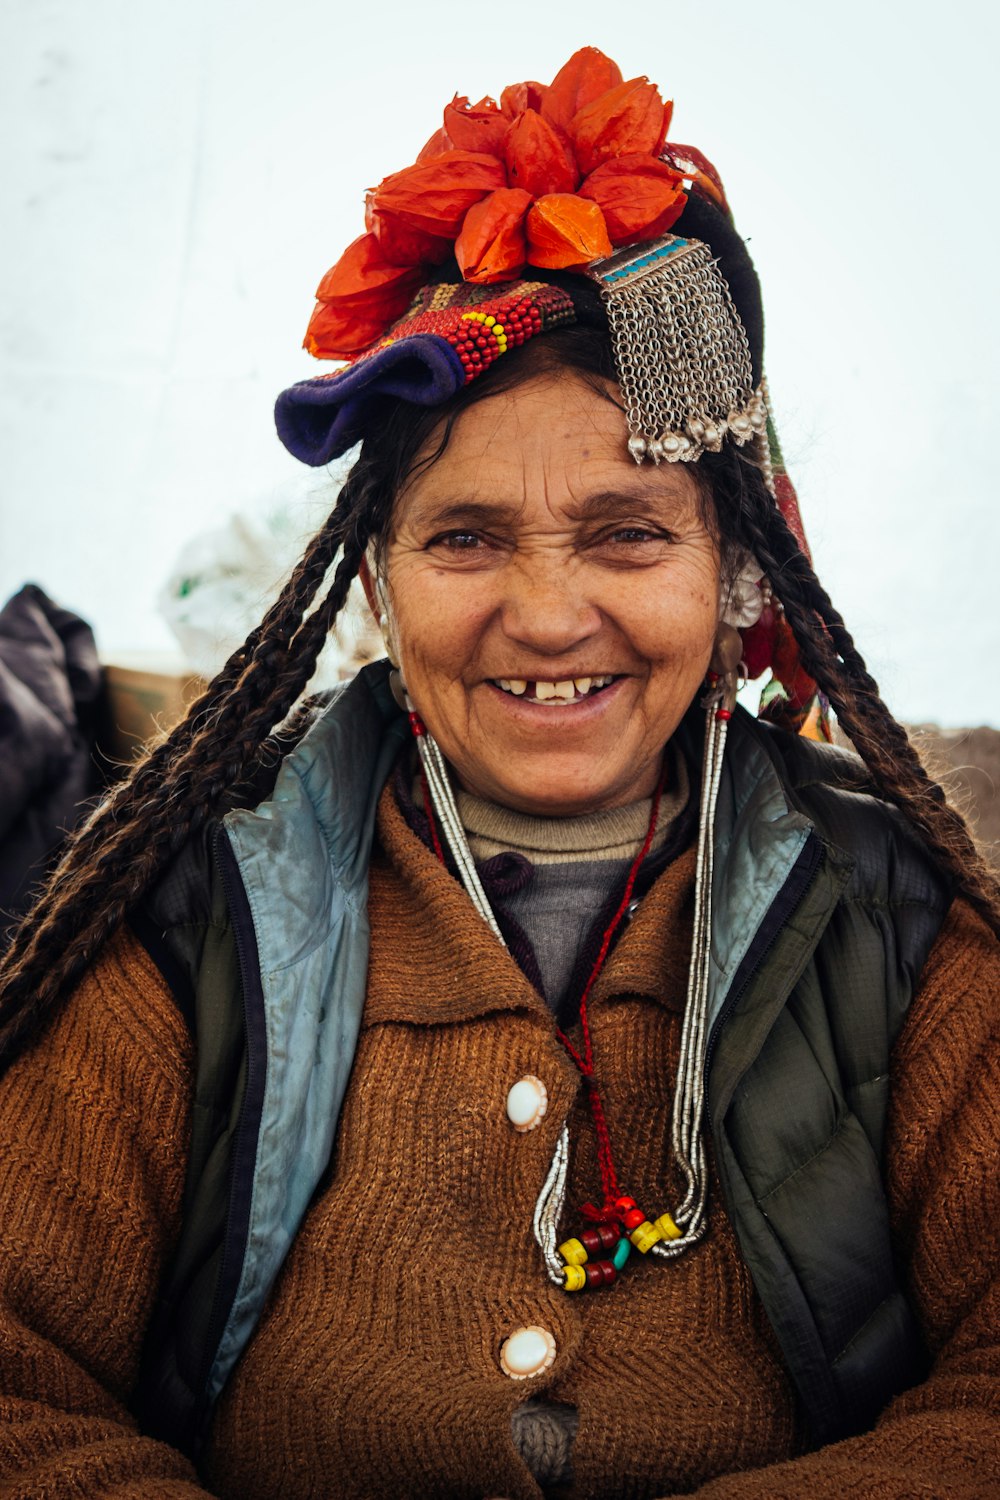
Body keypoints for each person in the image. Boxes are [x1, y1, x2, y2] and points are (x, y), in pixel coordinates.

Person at [0, 46, 997, 1500]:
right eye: (463, 537)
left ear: (738, 570)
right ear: (375, 585)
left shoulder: (894, 916)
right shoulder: (197, 908)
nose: (544, 613)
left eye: (629, 534)